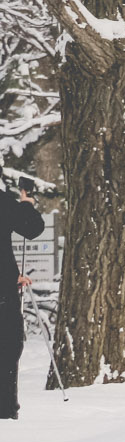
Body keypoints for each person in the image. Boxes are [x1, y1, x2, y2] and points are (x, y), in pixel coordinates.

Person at [3, 176, 48, 421]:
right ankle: (5, 410)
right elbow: (31, 228)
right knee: (7, 349)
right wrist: (26, 202)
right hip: (2, 294)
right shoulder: (3, 202)